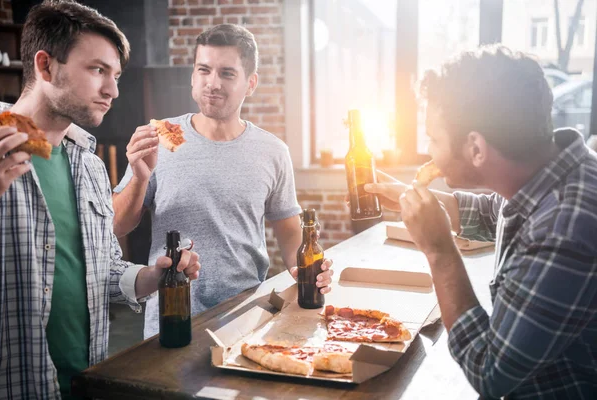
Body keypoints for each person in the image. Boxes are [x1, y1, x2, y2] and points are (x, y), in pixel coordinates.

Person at [365, 46, 596, 399]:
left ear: (475, 147)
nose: (429, 151)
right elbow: (495, 213)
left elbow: (490, 373)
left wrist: (439, 250)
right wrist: (411, 198)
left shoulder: (563, 228)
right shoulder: (554, 173)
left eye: (434, 138)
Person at [0, 2, 200, 399]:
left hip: (87, 383)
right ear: (46, 66)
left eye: (116, 75)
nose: (113, 90)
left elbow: (101, 272)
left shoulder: (88, 166)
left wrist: (153, 278)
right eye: (97, 70)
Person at [112, 24, 333, 339]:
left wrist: (311, 269)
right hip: (171, 318)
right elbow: (117, 226)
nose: (212, 83)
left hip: (246, 319)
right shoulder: (159, 136)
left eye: (227, 73)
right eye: (204, 70)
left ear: (250, 83)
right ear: (193, 76)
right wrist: (138, 176)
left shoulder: (273, 151)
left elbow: (290, 235)